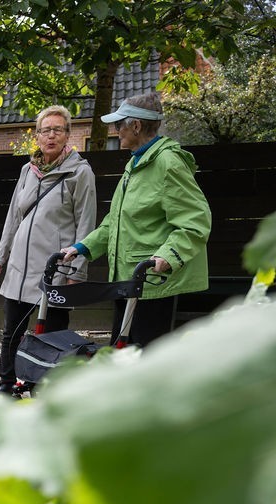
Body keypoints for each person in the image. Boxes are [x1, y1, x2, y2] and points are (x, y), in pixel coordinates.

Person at [62, 92, 212, 347]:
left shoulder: (167, 163)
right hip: (127, 280)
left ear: (136, 125)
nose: (115, 129)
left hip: (152, 282)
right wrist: (83, 248)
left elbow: (196, 220)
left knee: (145, 358)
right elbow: (115, 221)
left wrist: (167, 256)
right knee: (122, 355)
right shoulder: (136, 164)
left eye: (119, 124)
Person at [0, 105, 97, 393]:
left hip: (54, 271)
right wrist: (1, 256)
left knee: (52, 335)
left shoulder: (80, 172)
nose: (51, 135)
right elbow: (14, 216)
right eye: (45, 130)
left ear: (68, 134)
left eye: (58, 130)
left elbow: (86, 224)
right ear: (36, 136)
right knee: (11, 332)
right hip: (19, 271)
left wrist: (77, 270)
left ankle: (45, 390)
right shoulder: (27, 170)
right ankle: (6, 385)